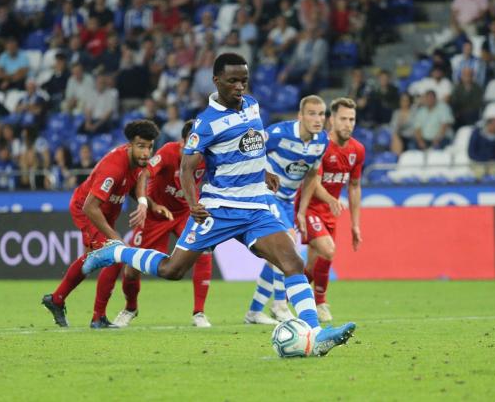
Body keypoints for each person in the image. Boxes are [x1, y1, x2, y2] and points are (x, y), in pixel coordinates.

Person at [82, 53, 355, 356]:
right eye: (233, 81)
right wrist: (192, 202)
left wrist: (262, 170)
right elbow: (187, 168)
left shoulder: (252, 105)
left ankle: (316, 334)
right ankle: (115, 251)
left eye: (243, 80)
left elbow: (252, 143)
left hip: (255, 208)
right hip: (219, 208)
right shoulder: (206, 124)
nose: (240, 86)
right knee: (173, 269)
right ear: (216, 81)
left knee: (293, 263)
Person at [92, 120, 214, 328]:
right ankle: (131, 308)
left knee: (204, 250)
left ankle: (199, 312)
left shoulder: (207, 156)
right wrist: (146, 203)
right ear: (181, 141)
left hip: (185, 212)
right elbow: (144, 174)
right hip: (156, 215)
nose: (193, 150)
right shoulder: (167, 152)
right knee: (132, 269)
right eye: (189, 145)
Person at [41, 120, 160, 328]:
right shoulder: (114, 167)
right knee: (115, 254)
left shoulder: (138, 162)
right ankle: (98, 318)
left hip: (106, 211)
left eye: (150, 146)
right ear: (129, 145)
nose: (146, 152)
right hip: (87, 210)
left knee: (92, 259)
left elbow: (140, 179)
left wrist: (144, 202)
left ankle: (57, 299)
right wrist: (115, 239)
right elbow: (90, 207)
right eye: (141, 146)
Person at [245, 95, 329, 325]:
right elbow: (251, 151)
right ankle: (280, 305)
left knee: (275, 256)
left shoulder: (322, 141)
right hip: (265, 193)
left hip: (288, 202)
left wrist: (301, 211)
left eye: (321, 114)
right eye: (312, 113)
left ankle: (254, 312)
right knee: (287, 245)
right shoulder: (279, 133)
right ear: (300, 116)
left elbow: (312, 175)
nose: (318, 119)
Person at [296, 97, 365, 323]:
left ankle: (288, 298)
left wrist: (355, 224)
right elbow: (313, 182)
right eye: (343, 119)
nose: (348, 124)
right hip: (310, 206)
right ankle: (321, 303)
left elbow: (354, 186)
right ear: (332, 120)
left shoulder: (357, 150)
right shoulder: (321, 145)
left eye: (352, 119)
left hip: (329, 212)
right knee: (328, 250)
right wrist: (331, 200)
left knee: (314, 265)